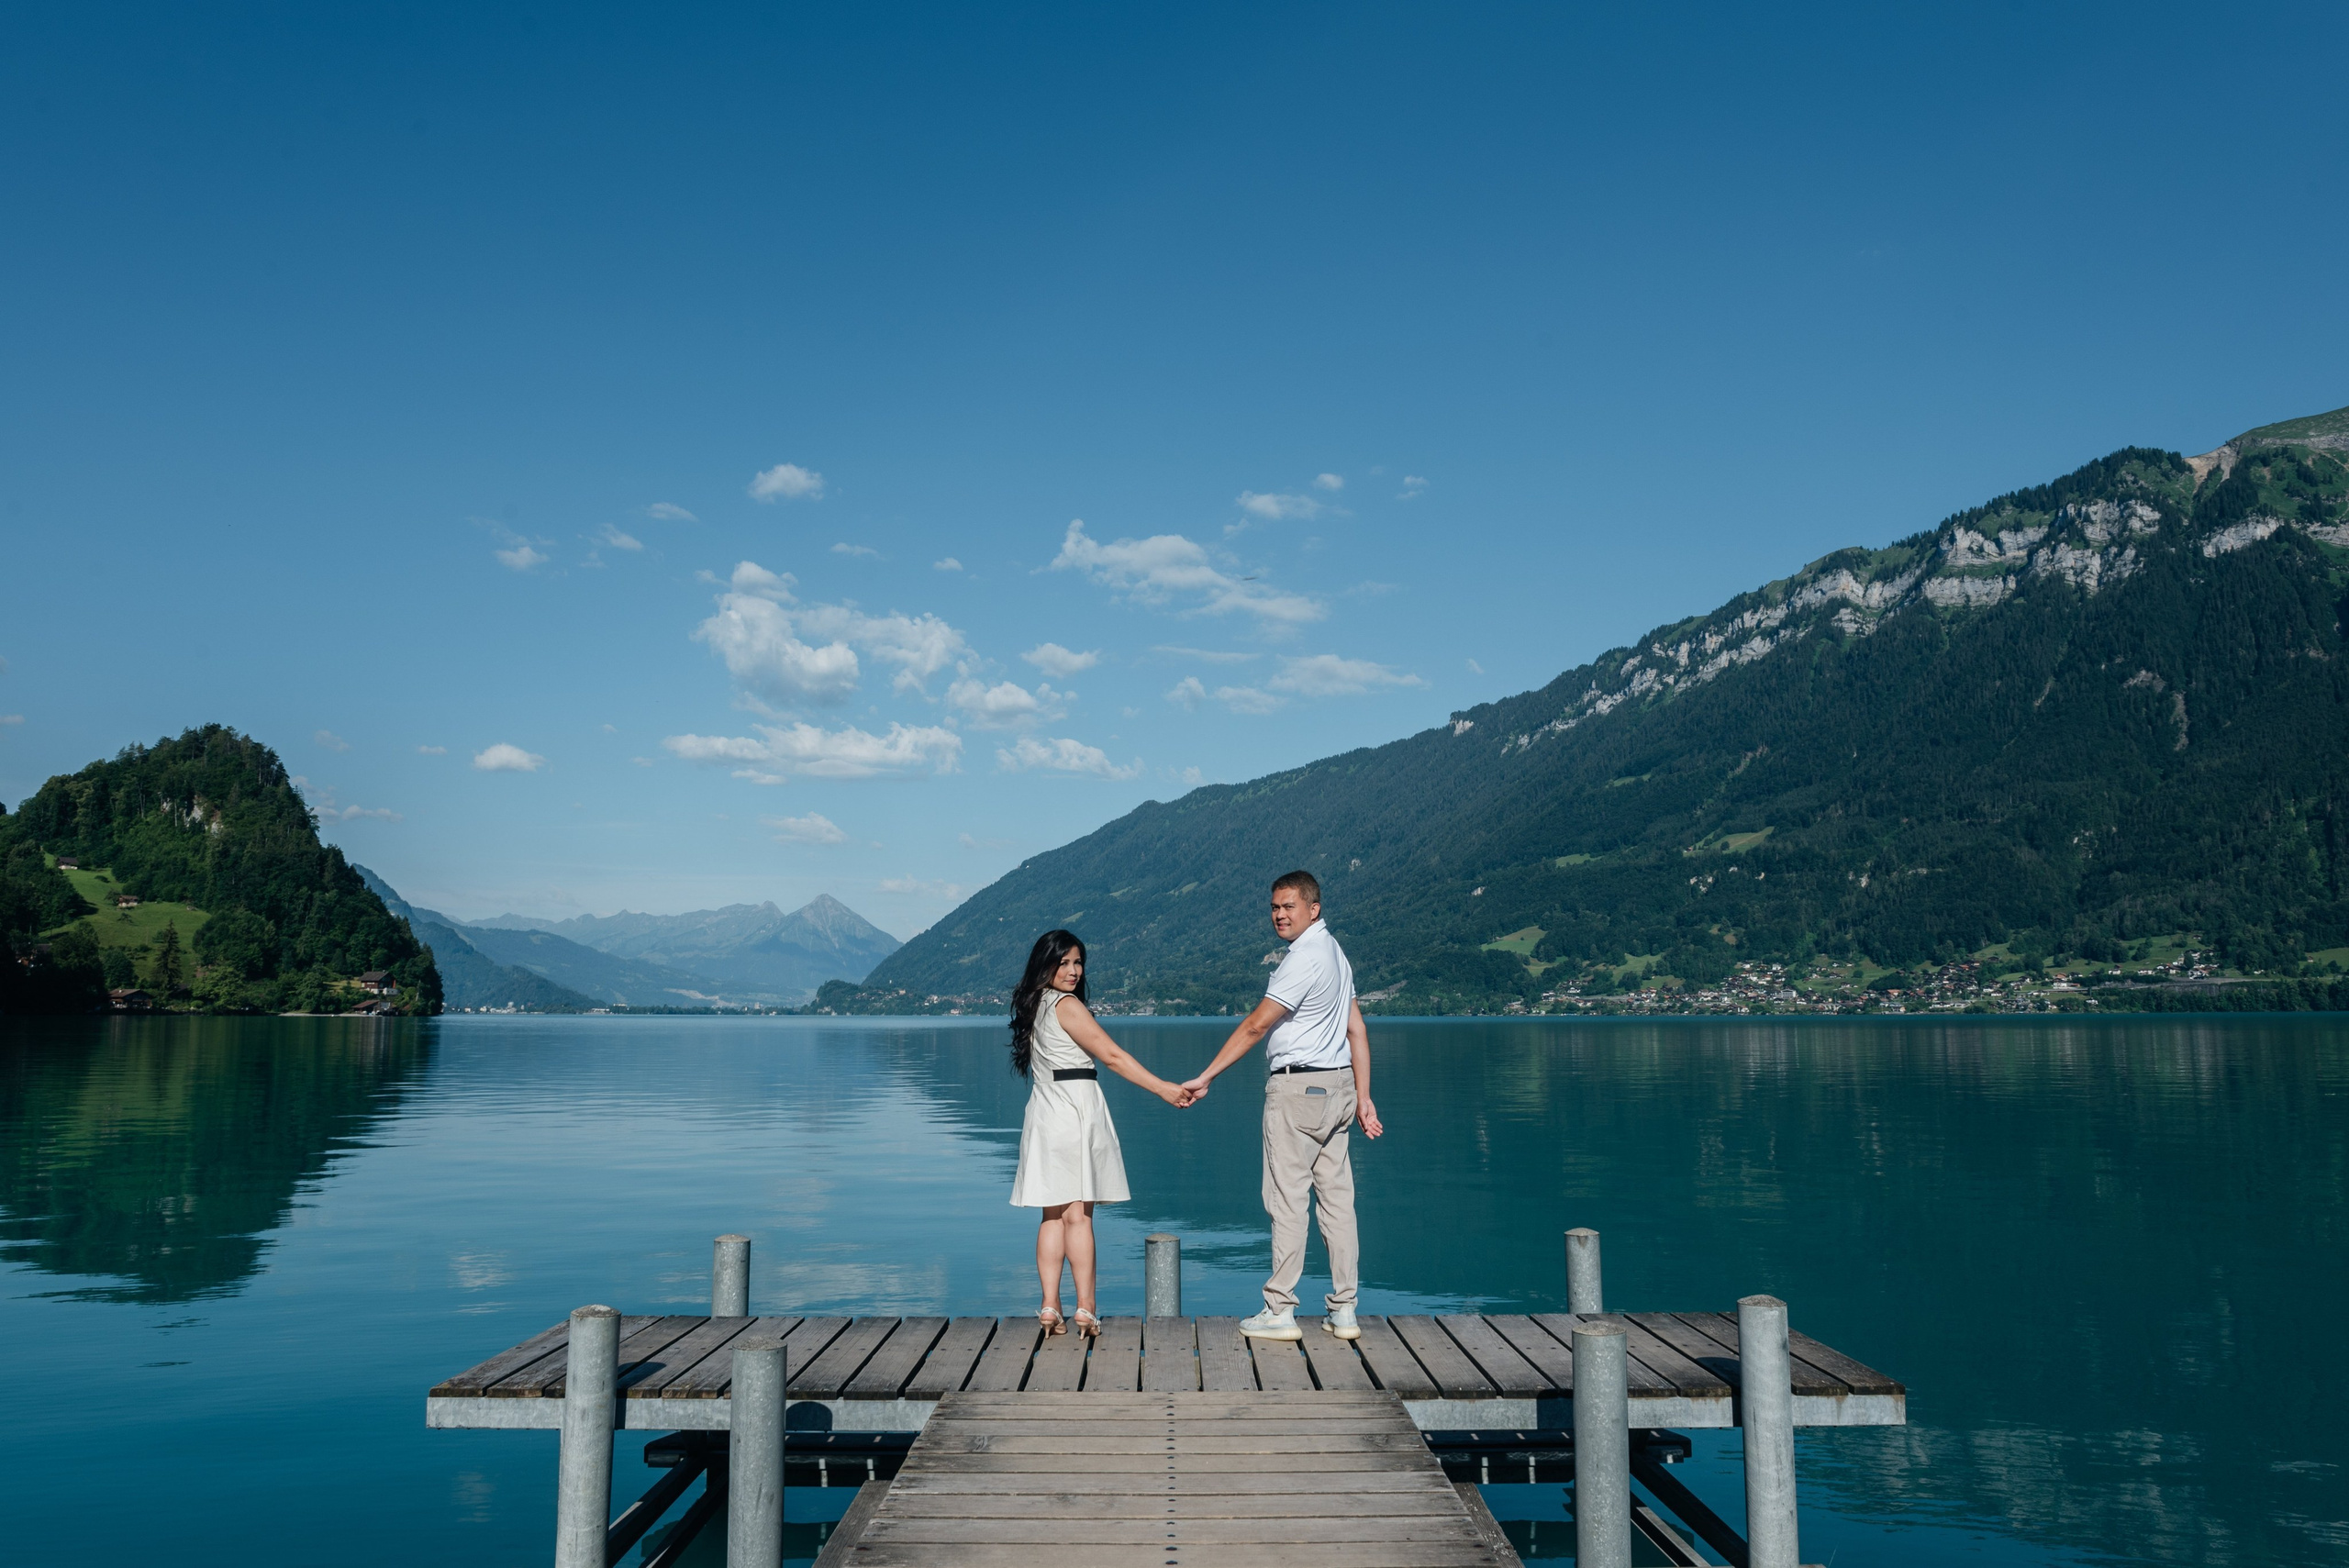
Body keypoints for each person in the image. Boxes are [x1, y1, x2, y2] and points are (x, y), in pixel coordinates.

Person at [1182, 871, 1383, 1341]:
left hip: (1297, 1093)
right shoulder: (1337, 955)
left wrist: (1207, 1076)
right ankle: (1345, 1310)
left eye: (1288, 906)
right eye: (1274, 907)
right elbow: (1356, 1031)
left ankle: (1280, 1310)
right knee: (1338, 1204)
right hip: (1338, 1089)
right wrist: (1364, 1096)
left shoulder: (1303, 959)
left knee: (1287, 1202)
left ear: (1313, 908)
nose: (1278, 914)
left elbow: (1256, 1026)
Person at [1007, 929, 1194, 1337]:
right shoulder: (1068, 1006)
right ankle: (1086, 1308)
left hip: (1044, 1109)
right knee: (1079, 1216)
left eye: (1078, 962)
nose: (1073, 971)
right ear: (1047, 964)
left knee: (1052, 1216)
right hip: (1075, 1109)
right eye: (1064, 962)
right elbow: (1111, 1056)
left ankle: (1049, 1306)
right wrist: (1163, 1088)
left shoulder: (1033, 1004)